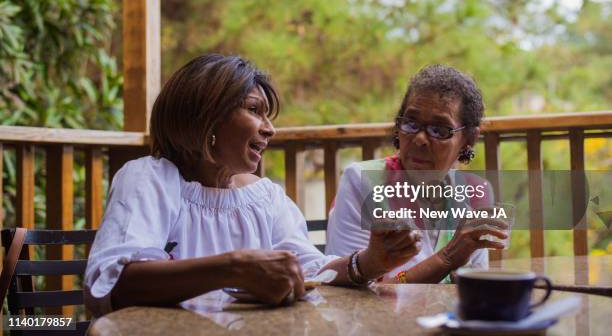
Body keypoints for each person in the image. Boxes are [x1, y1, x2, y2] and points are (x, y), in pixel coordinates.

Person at [84, 54, 422, 317]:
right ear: (207, 116)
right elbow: (113, 286)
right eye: (253, 110)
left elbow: (308, 271)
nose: (269, 129)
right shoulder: (149, 179)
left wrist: (369, 262)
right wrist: (234, 268)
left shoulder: (265, 197)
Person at [325, 64, 507, 283]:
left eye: (439, 130)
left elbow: (474, 288)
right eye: (411, 123)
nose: (420, 139)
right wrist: (447, 258)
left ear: (468, 138)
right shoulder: (362, 182)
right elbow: (353, 293)